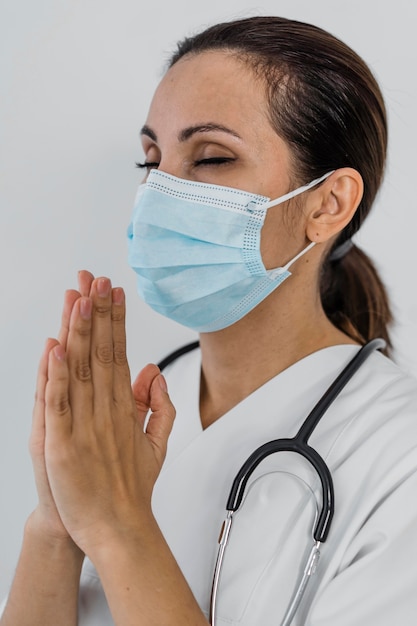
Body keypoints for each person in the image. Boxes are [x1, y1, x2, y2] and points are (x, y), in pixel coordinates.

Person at [1, 15, 417, 626]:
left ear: (327, 205)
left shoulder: (396, 454)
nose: (160, 195)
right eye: (151, 161)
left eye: (213, 158)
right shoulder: (126, 415)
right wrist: (56, 521)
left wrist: (118, 527)